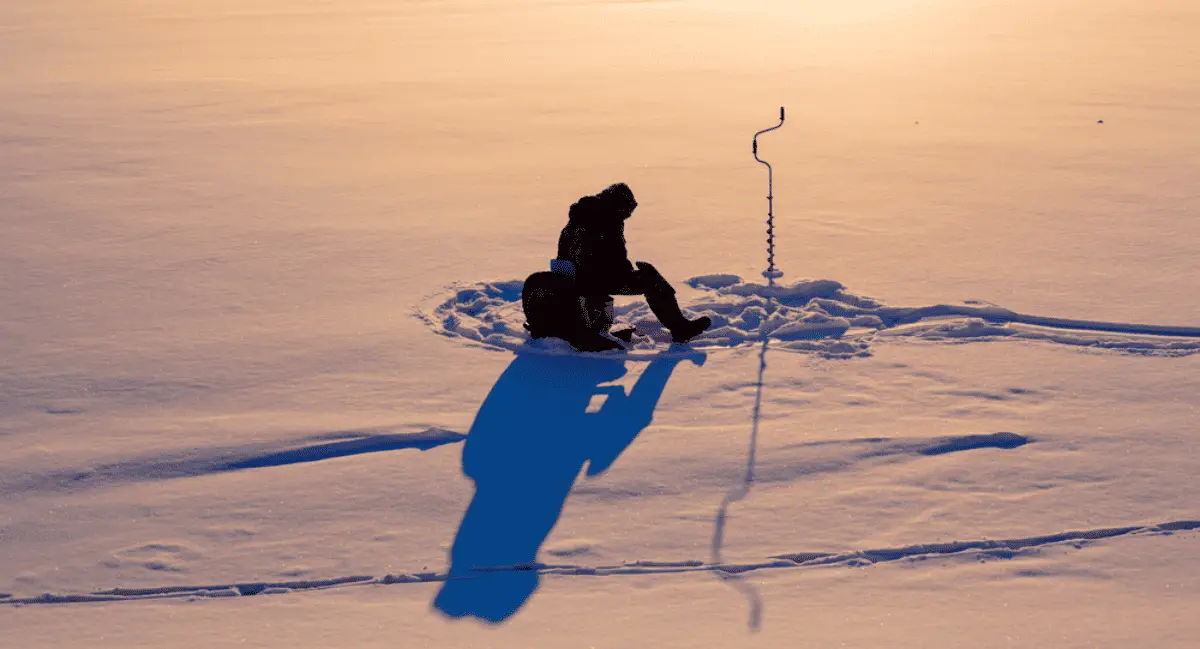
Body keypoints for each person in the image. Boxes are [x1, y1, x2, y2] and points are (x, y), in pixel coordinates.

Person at [556, 183, 711, 346]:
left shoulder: (583, 216)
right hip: (592, 281)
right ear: (619, 205)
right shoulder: (605, 221)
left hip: (578, 278)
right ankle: (680, 328)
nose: (628, 215)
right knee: (650, 279)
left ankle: (679, 326)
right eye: (628, 210)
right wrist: (631, 272)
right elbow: (610, 260)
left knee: (646, 276)